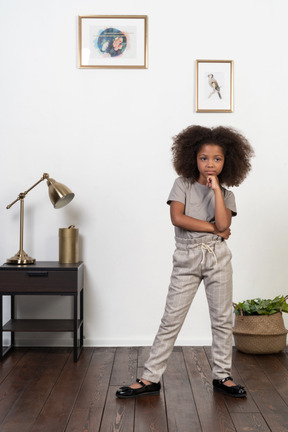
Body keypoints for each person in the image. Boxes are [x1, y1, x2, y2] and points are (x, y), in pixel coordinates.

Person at [116, 125, 254, 399]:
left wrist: (216, 191)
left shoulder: (226, 195)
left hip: (218, 258)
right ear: (193, 157)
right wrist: (214, 228)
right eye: (204, 158)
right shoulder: (182, 184)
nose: (210, 164)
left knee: (222, 320)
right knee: (171, 319)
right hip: (187, 256)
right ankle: (150, 378)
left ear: (227, 161)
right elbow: (178, 219)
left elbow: (225, 222)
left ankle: (222, 376)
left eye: (217, 158)